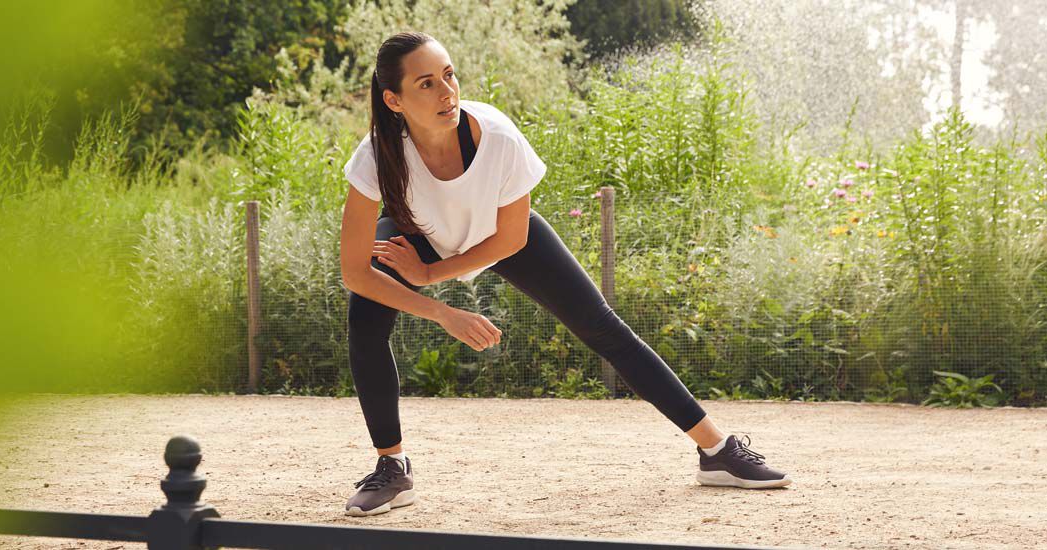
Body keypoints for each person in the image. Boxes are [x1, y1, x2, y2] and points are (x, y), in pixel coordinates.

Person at [339, 31, 791, 517]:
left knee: (602, 326)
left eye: (448, 75)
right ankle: (392, 468)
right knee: (365, 321)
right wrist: (440, 311)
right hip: (416, 232)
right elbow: (355, 272)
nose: (446, 91)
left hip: (496, 230)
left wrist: (430, 275)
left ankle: (717, 452)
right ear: (394, 100)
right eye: (426, 84)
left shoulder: (497, 136)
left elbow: (510, 240)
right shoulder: (376, 155)